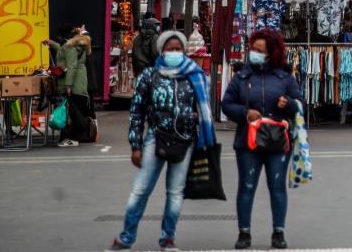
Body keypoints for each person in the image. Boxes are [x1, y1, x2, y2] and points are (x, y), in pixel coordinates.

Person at [110, 30, 215, 252]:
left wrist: (193, 117)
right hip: (155, 138)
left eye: (178, 49)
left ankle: (168, 238)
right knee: (140, 190)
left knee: (175, 193)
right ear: (161, 50)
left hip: (185, 140)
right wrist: (135, 145)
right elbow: (136, 112)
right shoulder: (149, 75)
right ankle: (126, 237)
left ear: (184, 50)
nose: (174, 52)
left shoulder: (195, 75)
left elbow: (203, 109)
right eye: (170, 49)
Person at [222, 29, 303, 250]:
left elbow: (300, 105)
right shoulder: (241, 76)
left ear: (271, 54)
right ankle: (244, 232)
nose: (254, 54)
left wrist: (289, 104)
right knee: (246, 186)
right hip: (247, 141)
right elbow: (226, 104)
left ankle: (279, 231)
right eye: (253, 49)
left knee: (277, 186)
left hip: (278, 141)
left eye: (260, 51)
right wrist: (245, 113)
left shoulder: (285, 77)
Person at [45, 27, 92, 147]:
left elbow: (72, 65)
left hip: (74, 83)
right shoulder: (78, 45)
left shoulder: (69, 46)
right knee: (74, 111)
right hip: (80, 82)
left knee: (71, 112)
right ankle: (72, 137)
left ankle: (71, 138)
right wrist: (53, 44)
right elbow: (63, 51)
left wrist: (68, 85)